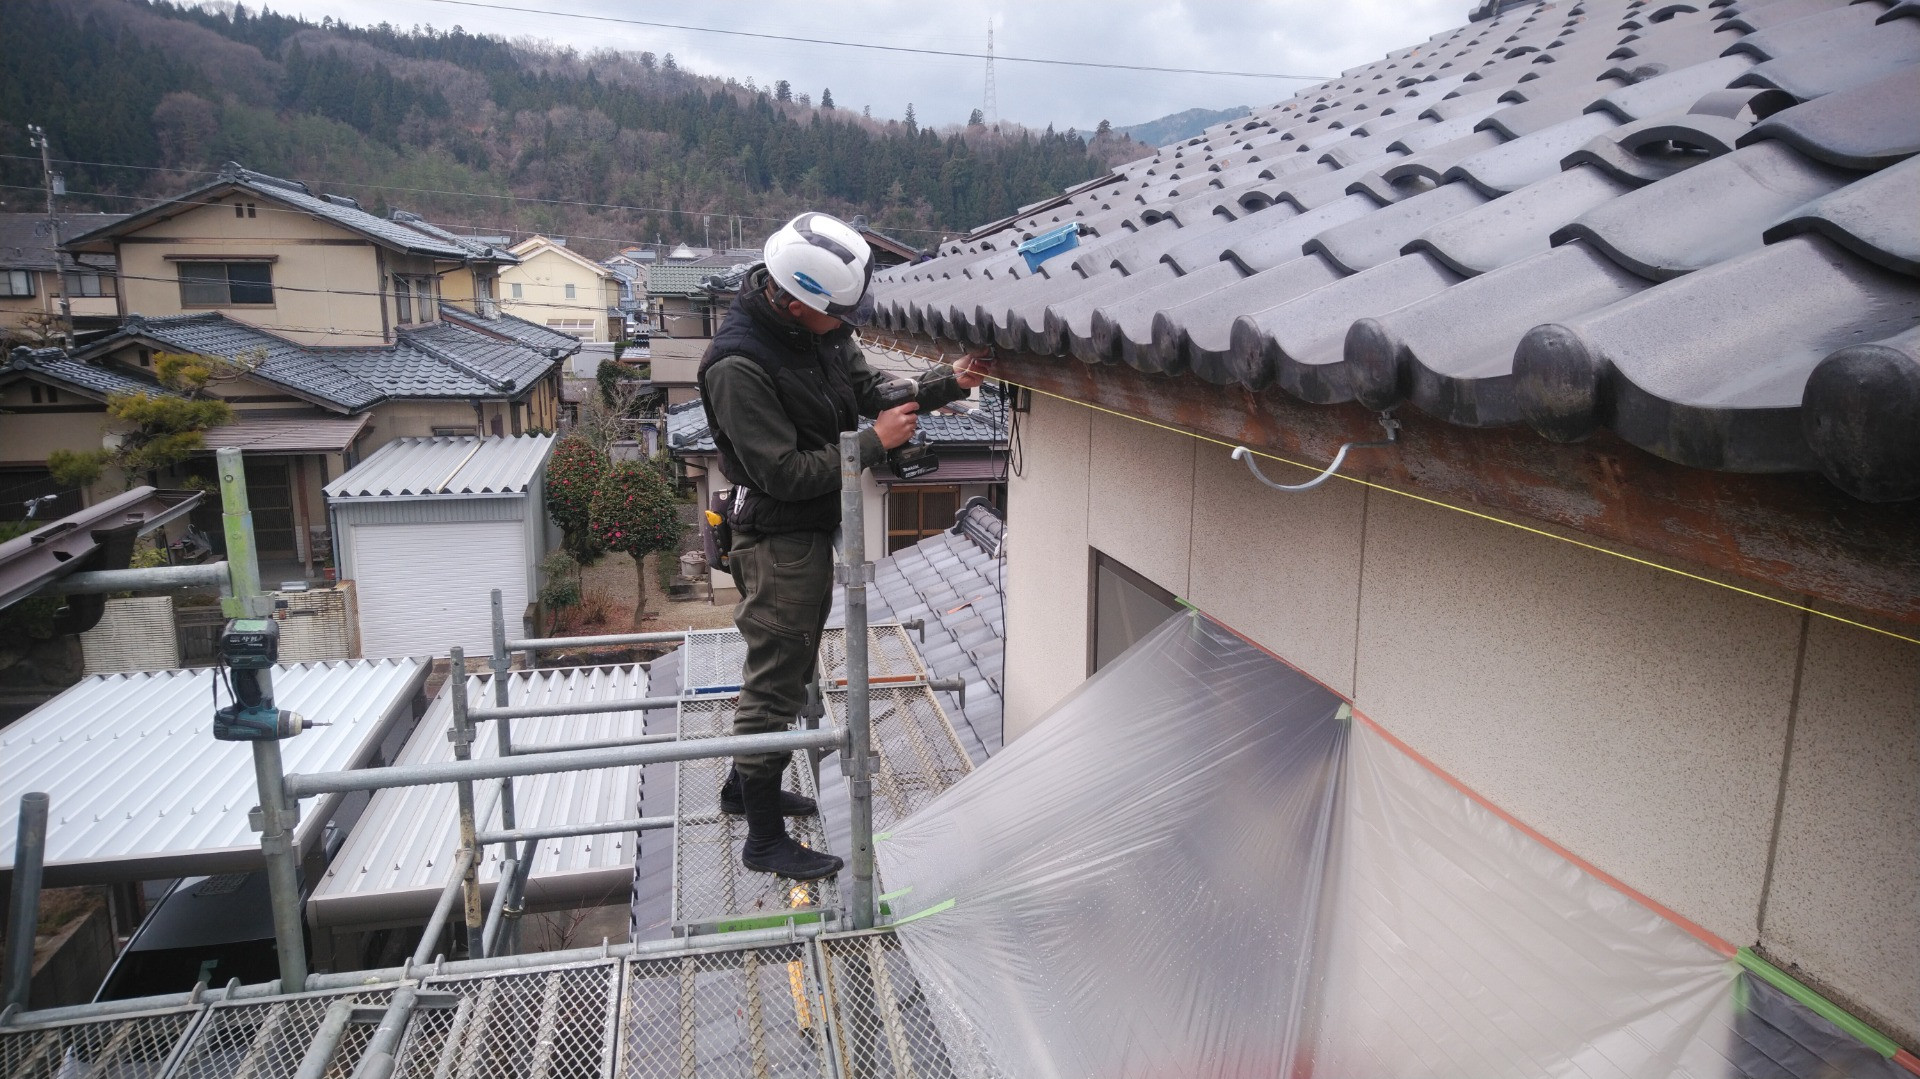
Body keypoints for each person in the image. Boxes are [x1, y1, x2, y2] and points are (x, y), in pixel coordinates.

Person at [698, 212, 990, 880]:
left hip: (805, 526)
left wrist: (953, 380)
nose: (847, 326)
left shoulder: (815, 328)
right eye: (837, 315)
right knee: (777, 679)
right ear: (797, 301)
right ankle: (764, 839)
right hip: (774, 534)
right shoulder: (737, 365)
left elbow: (867, 391)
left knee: (787, 667)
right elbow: (780, 472)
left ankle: (745, 790)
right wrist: (869, 445)